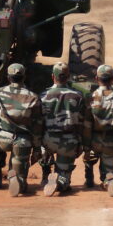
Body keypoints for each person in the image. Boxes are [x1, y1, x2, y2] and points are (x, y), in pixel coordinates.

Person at [0, 62, 44, 196]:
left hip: (2, 138)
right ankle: (18, 181)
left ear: (8, 77)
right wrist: (37, 147)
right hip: (22, 140)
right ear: (24, 77)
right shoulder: (33, 96)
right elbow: (37, 125)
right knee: (19, 161)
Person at [39, 62, 86, 197]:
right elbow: (82, 123)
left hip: (47, 141)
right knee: (65, 179)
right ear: (68, 76)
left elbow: (38, 122)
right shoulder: (78, 96)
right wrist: (80, 144)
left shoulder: (43, 95)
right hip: (68, 142)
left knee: (44, 146)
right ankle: (60, 182)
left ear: (52, 76)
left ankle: (46, 173)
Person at [86, 64, 113, 196]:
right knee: (110, 168)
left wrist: (86, 146)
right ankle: (109, 180)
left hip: (94, 140)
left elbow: (86, 124)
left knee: (89, 158)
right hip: (111, 140)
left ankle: (89, 179)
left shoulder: (90, 98)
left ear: (96, 78)